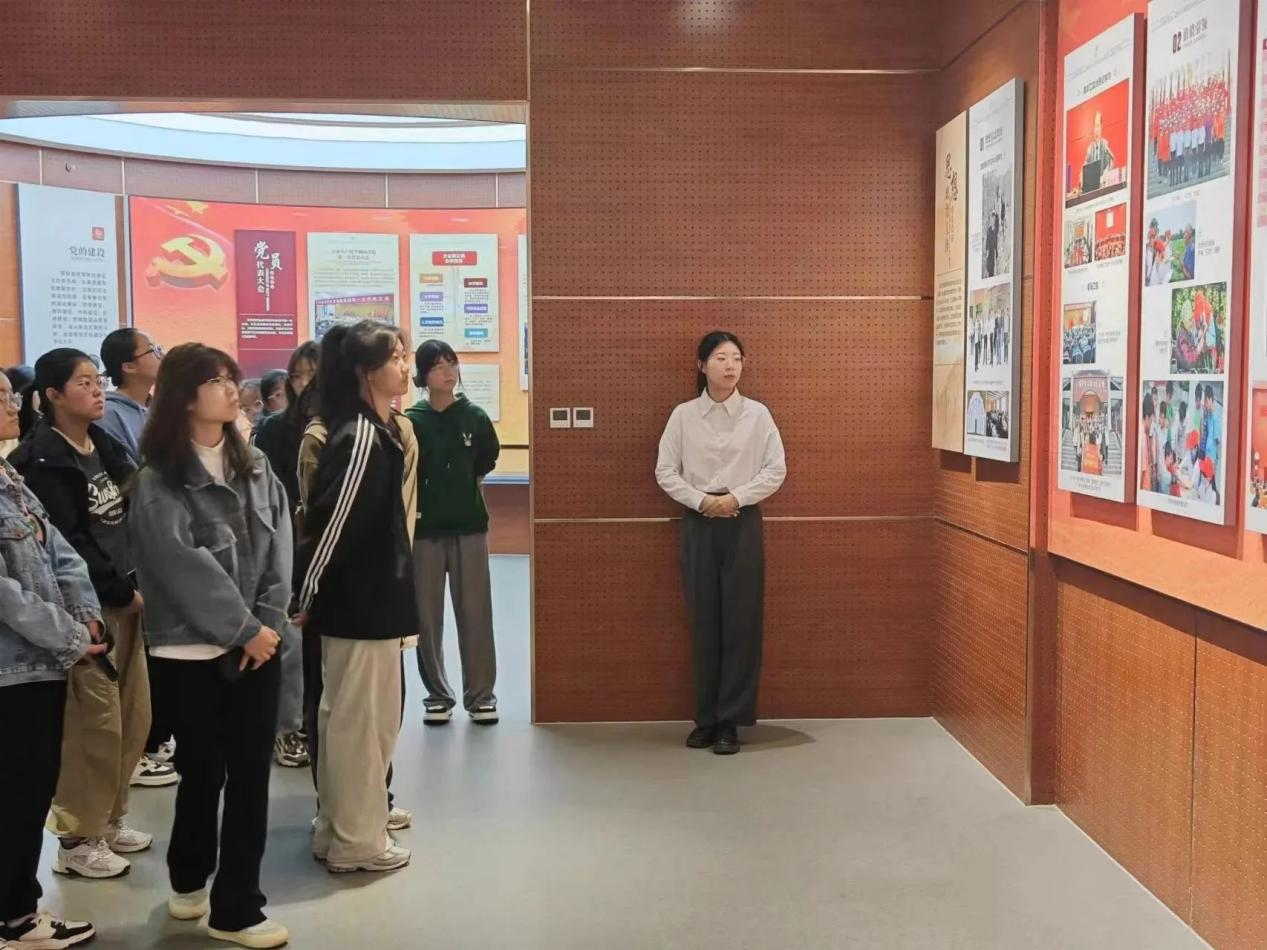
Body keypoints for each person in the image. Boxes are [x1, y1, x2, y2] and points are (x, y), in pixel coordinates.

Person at [128, 343, 294, 949]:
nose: (231, 389)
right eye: (216, 380)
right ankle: (188, 874)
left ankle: (237, 909)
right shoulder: (158, 479)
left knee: (250, 779)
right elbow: (180, 565)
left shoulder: (256, 465)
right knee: (201, 773)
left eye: (232, 378)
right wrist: (244, 628)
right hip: (189, 653)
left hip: (259, 647)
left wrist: (266, 624)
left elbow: (279, 546)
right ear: (183, 396)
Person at [9, 349, 167, 882]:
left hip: (129, 596)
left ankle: (110, 819)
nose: (96, 390)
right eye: (82, 383)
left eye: (96, 380)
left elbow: (138, 505)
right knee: (92, 725)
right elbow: (67, 541)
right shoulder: (39, 460)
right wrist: (115, 591)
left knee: (132, 715)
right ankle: (78, 838)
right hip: (88, 610)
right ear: (52, 396)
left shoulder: (104, 443)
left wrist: (142, 581)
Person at [294, 320, 416, 873]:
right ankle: (358, 842)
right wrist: (308, 596)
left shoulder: (377, 429)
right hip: (358, 607)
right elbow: (329, 527)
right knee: (360, 728)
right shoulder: (360, 436)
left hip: (371, 604)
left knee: (349, 723)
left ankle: (336, 831)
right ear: (366, 371)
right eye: (396, 357)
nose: (406, 366)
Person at [0, 367, 103, 949]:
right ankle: (14, 919)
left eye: (9, 393)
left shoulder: (8, 476)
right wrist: (68, 634)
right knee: (15, 795)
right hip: (12, 667)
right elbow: (4, 592)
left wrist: (85, 613)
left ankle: (18, 911)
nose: (12, 403)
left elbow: (59, 550)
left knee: (31, 790)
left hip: (42, 661)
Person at [655, 331, 786, 755]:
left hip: (742, 522)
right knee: (703, 621)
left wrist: (735, 498)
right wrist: (702, 501)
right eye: (720, 358)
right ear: (701, 366)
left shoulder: (758, 415)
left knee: (741, 623)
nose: (730, 366)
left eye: (736, 358)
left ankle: (730, 720)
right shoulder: (683, 416)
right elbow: (665, 471)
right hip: (698, 523)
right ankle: (705, 719)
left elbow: (776, 470)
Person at [407, 340, 501, 726]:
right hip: (424, 530)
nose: (448, 372)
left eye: (452, 364)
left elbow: (485, 460)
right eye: (438, 366)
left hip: (469, 527)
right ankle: (437, 695)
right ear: (422, 375)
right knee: (426, 618)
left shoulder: (474, 417)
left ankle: (481, 696)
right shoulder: (411, 421)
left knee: (475, 612)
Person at [99, 329, 175, 780]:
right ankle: (142, 744)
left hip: (158, 542)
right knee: (138, 651)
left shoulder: (148, 410)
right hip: (132, 548)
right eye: (152, 351)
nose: (159, 356)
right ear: (127, 366)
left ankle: (154, 735)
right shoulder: (112, 415)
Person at [253, 341, 320, 770]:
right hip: (287, 546)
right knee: (291, 642)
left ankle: (316, 724)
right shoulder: (275, 429)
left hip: (327, 549)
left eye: (311, 375)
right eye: (296, 376)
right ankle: (289, 728)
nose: (303, 384)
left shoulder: (345, 426)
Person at [99, 329, 162, 467]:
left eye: (159, 349)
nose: (162, 355)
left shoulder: (158, 409)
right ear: (129, 367)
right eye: (153, 350)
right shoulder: (107, 415)